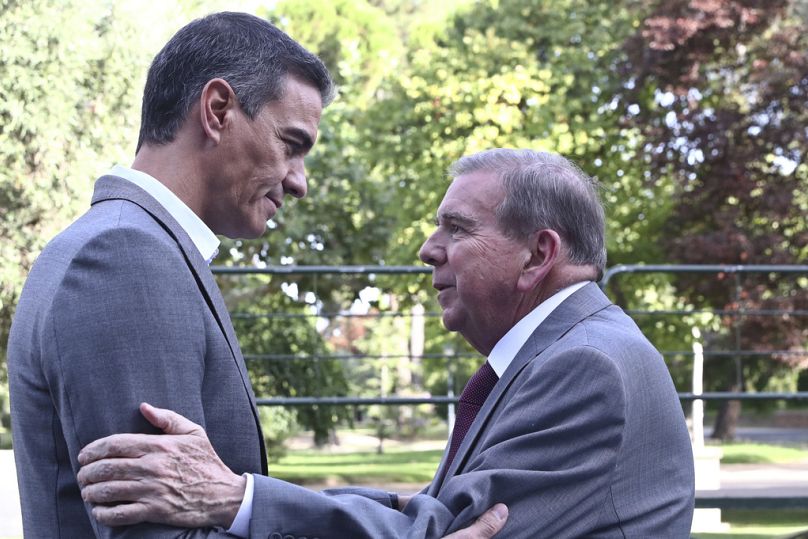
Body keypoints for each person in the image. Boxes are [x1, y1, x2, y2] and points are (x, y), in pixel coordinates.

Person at [8, 11, 505, 539]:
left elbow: (217, 493)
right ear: (218, 110)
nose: (299, 183)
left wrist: (390, 509)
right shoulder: (126, 258)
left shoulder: (122, 243)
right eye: (291, 145)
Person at [77, 149, 696, 537]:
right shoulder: (566, 353)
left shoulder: (587, 367)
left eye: (456, 228)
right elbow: (433, 511)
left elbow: (445, 529)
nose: (428, 249)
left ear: (538, 254)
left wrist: (233, 499)